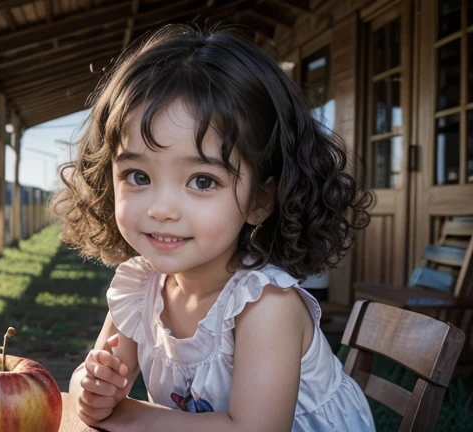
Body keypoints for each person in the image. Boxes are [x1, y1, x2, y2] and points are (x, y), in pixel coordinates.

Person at [53, 24, 376, 432]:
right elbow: (91, 379)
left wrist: (128, 414)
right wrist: (92, 389)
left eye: (202, 181)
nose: (162, 209)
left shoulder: (265, 305)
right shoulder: (140, 289)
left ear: (260, 199)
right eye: (137, 175)